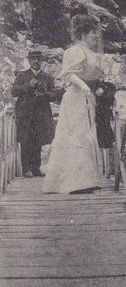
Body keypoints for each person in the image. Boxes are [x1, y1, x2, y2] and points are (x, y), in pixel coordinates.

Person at [42, 14, 107, 194]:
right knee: (76, 135)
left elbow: (96, 75)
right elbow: (68, 74)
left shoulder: (93, 53)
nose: (96, 37)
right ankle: (75, 182)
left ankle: (88, 178)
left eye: (97, 33)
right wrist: (84, 86)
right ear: (83, 34)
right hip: (76, 97)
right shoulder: (74, 51)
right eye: (93, 33)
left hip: (89, 97)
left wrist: (99, 88)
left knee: (87, 134)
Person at [11, 51, 56, 178]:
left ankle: (36, 168)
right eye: (33, 59)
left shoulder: (47, 77)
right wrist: (27, 86)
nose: (36, 61)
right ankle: (26, 169)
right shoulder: (22, 75)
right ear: (29, 61)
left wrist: (45, 92)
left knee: (39, 140)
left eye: (38, 59)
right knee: (26, 140)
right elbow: (14, 92)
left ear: (42, 61)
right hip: (25, 113)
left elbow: (54, 96)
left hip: (41, 114)